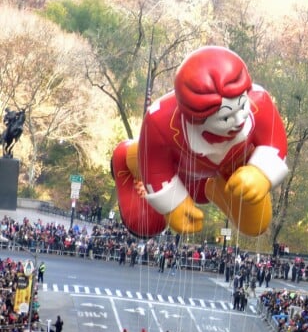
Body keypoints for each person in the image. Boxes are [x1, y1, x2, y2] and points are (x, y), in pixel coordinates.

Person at [111, 46, 289, 239]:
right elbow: (156, 168)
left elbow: (274, 142)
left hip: (230, 174)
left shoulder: (260, 101)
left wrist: (260, 173)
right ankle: (126, 155)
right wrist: (173, 204)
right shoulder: (159, 122)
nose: (239, 120)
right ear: (196, 117)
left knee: (256, 224)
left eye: (242, 107)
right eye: (226, 117)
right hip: (179, 169)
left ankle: (210, 187)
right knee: (144, 222)